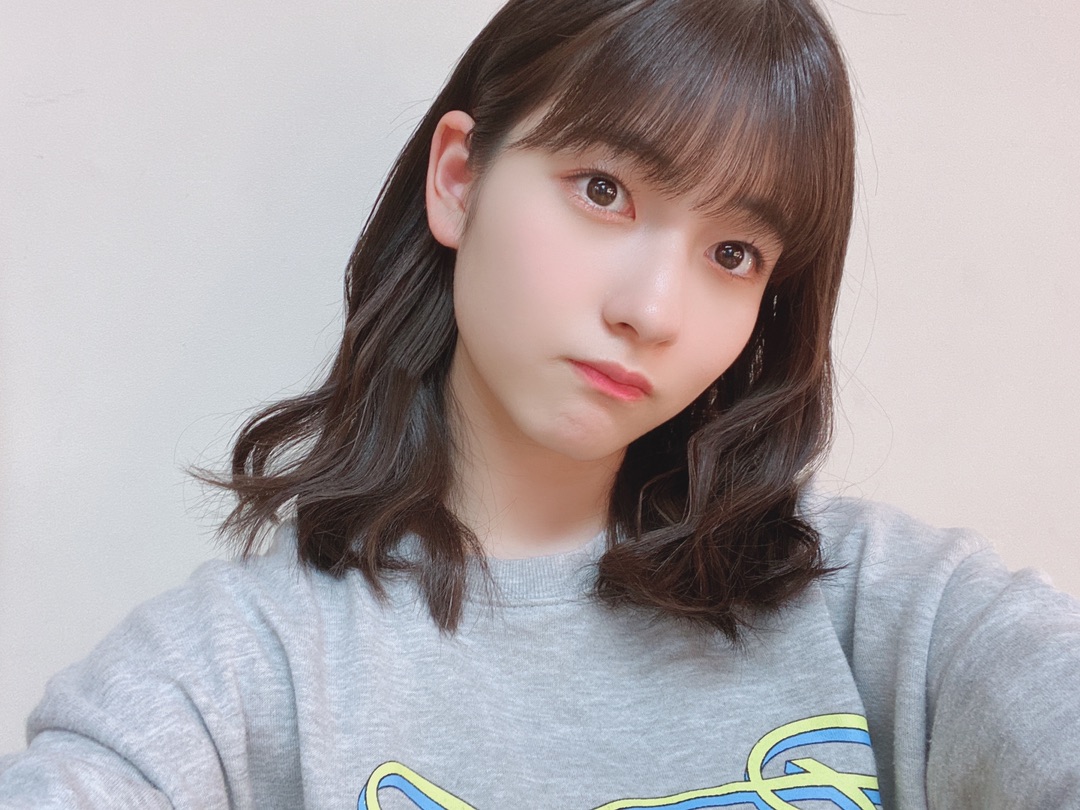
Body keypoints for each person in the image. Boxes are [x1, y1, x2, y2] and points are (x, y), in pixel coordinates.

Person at [2, 0, 1078, 807]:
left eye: (733, 253)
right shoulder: (237, 674)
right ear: (458, 179)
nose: (652, 309)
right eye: (605, 190)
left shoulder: (886, 612)